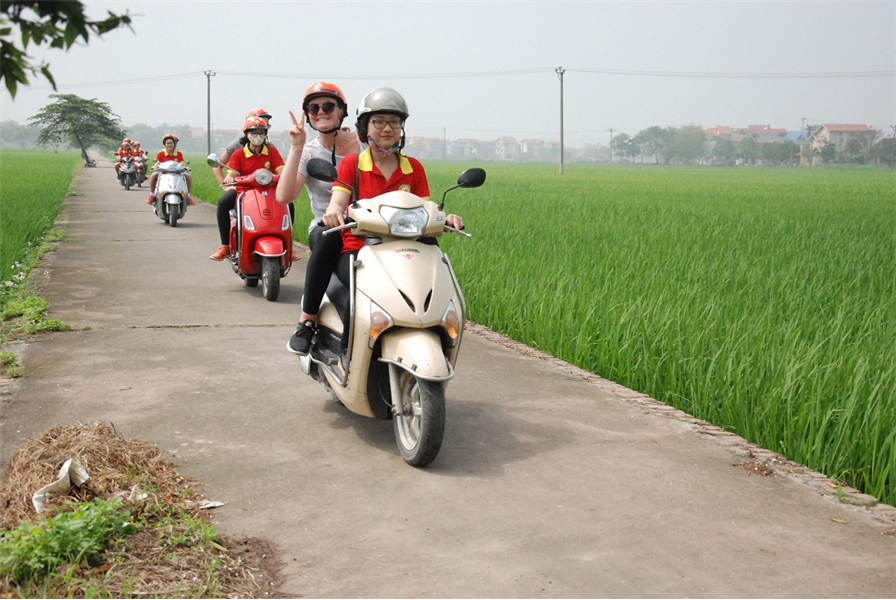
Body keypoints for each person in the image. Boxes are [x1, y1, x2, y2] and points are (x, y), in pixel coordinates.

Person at [286, 87, 463, 355]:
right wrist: (333, 212)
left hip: (402, 248)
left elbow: (425, 207)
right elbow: (338, 199)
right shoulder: (352, 164)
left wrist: (445, 218)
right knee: (352, 287)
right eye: (378, 122)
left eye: (394, 122)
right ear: (365, 128)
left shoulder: (413, 167)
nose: (387, 128)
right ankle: (308, 322)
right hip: (359, 249)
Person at [276, 81, 363, 248]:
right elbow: (284, 196)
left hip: (368, 223)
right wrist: (296, 146)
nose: (321, 112)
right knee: (325, 245)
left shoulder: (364, 144)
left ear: (341, 111)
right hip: (327, 227)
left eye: (328, 107)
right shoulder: (308, 152)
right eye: (313, 108)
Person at [209, 116, 293, 261]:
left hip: (270, 191)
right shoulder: (239, 154)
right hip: (244, 193)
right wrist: (229, 179)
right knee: (223, 203)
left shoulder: (272, 152)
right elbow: (231, 173)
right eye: (254, 133)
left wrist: (286, 177)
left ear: (266, 134)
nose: (257, 136)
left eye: (261, 133)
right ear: (247, 134)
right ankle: (225, 246)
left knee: (289, 204)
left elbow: (281, 171)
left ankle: (289, 245)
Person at [146, 133, 194, 205]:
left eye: (171, 143)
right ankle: (152, 195)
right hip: (163, 173)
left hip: (177, 173)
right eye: (167, 143)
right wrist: (155, 166)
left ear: (174, 144)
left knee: (188, 176)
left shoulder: (179, 154)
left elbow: (182, 163)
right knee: (153, 176)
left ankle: (188, 196)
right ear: (164, 144)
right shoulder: (161, 153)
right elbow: (158, 163)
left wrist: (186, 167)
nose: (169, 145)